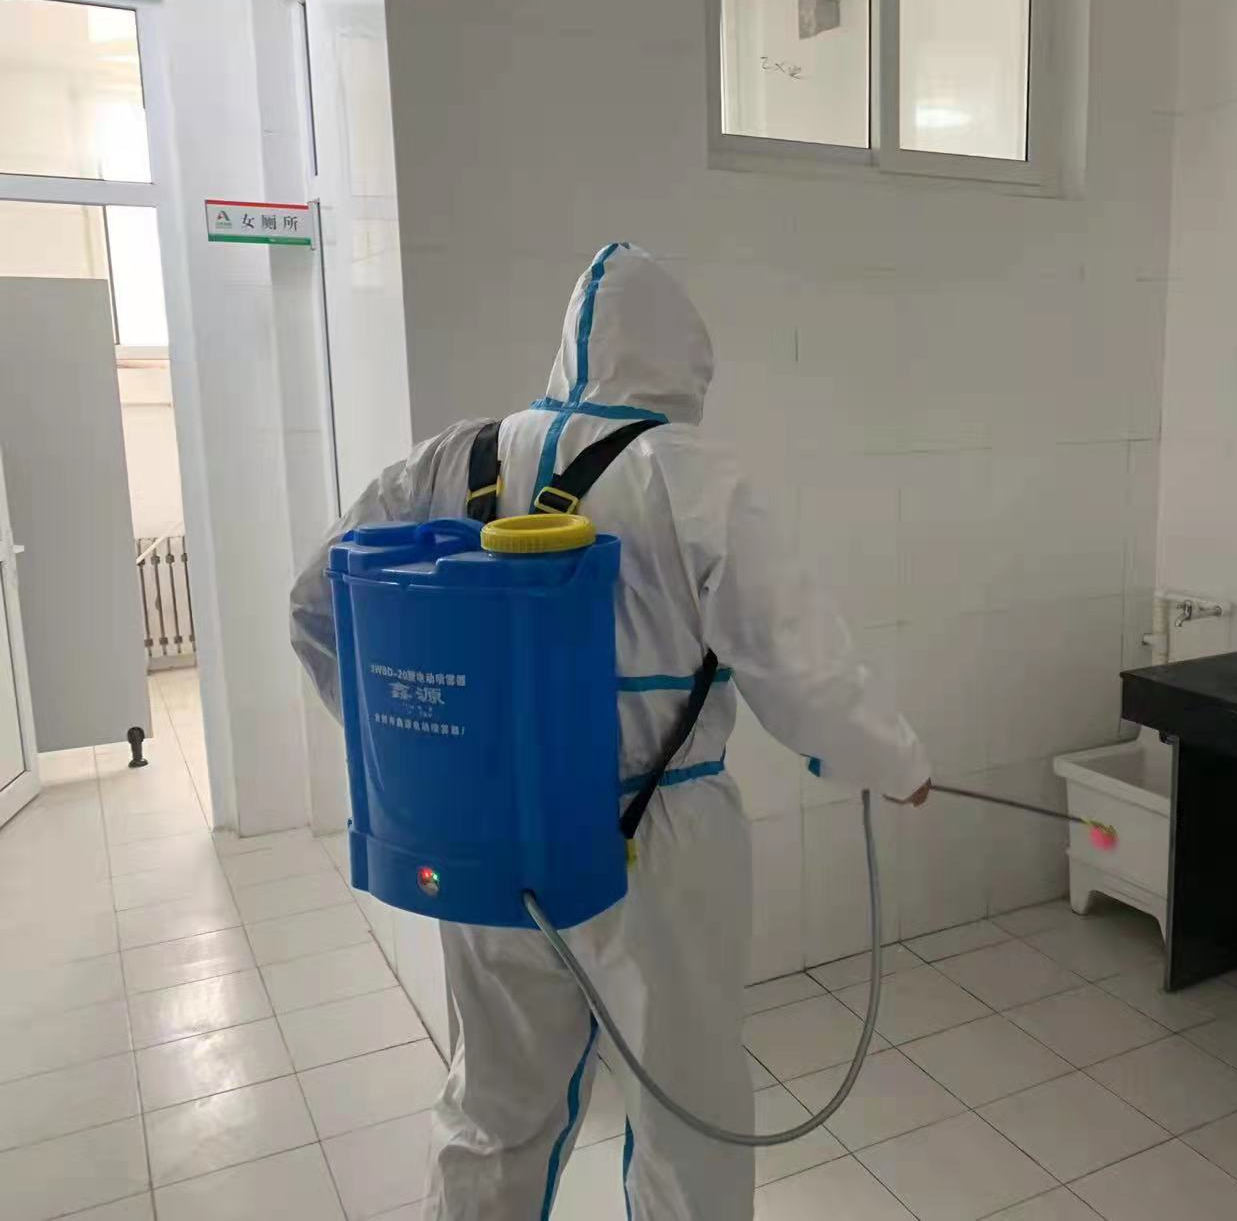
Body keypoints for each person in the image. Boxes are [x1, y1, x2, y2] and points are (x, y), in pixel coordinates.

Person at [289, 243, 930, 1221]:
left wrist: (417, 761)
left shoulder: (454, 460)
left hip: (489, 835)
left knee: (495, 1101)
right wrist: (896, 762)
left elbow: (314, 606)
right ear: (682, 362)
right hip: (658, 842)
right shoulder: (688, 475)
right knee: (687, 1111)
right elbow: (803, 671)